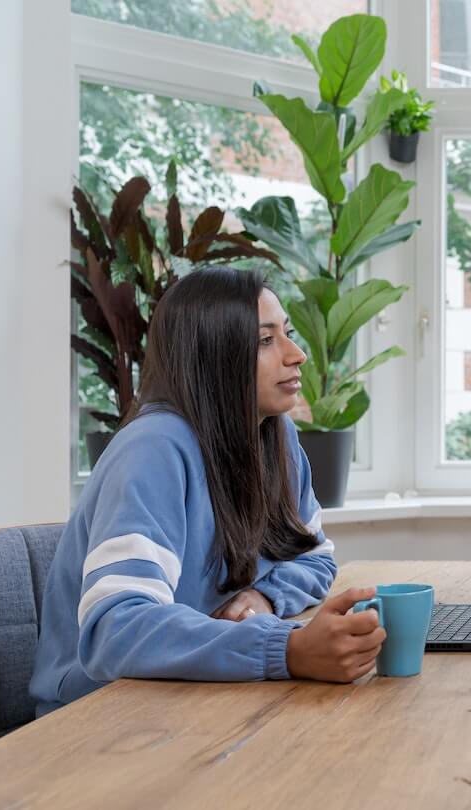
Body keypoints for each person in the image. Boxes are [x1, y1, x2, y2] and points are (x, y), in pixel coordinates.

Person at [31, 268, 385, 715]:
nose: (296, 355)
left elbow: (314, 555)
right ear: (213, 355)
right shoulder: (153, 450)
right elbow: (114, 630)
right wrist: (285, 649)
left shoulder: (276, 438)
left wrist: (265, 597)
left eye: (288, 334)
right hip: (97, 717)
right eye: (265, 340)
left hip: (196, 695)